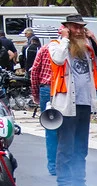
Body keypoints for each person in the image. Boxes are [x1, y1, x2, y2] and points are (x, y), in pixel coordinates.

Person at [48, 14, 97, 186]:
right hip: (66, 106)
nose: (80, 30)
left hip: (84, 103)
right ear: (66, 28)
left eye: (81, 27)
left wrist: (95, 41)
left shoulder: (88, 48)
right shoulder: (56, 45)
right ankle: (64, 184)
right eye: (75, 27)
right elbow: (58, 59)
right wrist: (66, 38)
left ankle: (79, 182)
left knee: (81, 146)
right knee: (66, 146)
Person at [30, 38, 57, 175]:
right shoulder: (70, 50)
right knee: (68, 129)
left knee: (51, 128)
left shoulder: (44, 49)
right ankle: (65, 164)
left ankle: (53, 165)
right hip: (64, 91)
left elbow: (34, 71)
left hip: (46, 89)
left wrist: (35, 94)